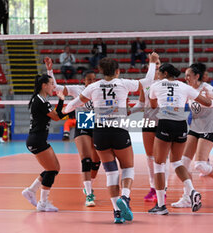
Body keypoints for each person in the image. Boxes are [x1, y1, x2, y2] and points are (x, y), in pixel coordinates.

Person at [63, 56, 157, 223]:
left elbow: (73, 105)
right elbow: (149, 80)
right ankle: (125, 198)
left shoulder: (93, 86)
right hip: (118, 130)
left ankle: (117, 213)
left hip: (99, 133)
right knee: (128, 167)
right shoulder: (123, 83)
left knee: (111, 172)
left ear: (100, 71)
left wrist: (63, 111)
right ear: (117, 71)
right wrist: (152, 61)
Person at [148, 63, 213, 215]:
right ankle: (192, 191)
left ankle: (161, 205)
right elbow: (206, 102)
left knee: (159, 164)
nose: (158, 76)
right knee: (176, 162)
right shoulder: (184, 87)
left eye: (160, 73)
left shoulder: (156, 85)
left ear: (164, 73)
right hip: (181, 125)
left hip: (165, 123)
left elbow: (153, 105)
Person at [171, 63, 213, 209]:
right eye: (185, 75)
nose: (186, 78)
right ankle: (187, 197)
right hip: (194, 128)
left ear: (197, 76)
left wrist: (211, 100)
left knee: (200, 164)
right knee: (183, 163)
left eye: (189, 75)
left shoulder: (206, 88)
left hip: (208, 129)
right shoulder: (188, 89)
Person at [44, 57, 101, 207]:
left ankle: (89, 186)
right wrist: (50, 69)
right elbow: (56, 87)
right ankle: (89, 194)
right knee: (86, 159)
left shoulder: (99, 90)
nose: (92, 82)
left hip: (97, 123)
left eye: (94, 79)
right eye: (89, 80)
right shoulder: (78, 89)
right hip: (84, 120)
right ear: (84, 81)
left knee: (96, 162)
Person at [22, 73, 67, 212]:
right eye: (51, 84)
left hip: (38, 139)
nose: (53, 86)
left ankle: (31, 191)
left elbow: (56, 116)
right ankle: (43, 202)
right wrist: (61, 101)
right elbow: (57, 117)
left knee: (55, 168)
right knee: (52, 169)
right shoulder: (40, 100)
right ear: (44, 85)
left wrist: (62, 105)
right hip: (36, 140)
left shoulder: (41, 99)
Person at [129, 53, 170, 202]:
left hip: (163, 122)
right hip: (148, 122)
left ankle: (163, 188)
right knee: (149, 157)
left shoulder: (166, 83)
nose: (157, 66)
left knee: (162, 158)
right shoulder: (145, 84)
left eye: (158, 64)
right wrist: (129, 111)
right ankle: (153, 187)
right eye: (154, 64)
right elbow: (141, 104)